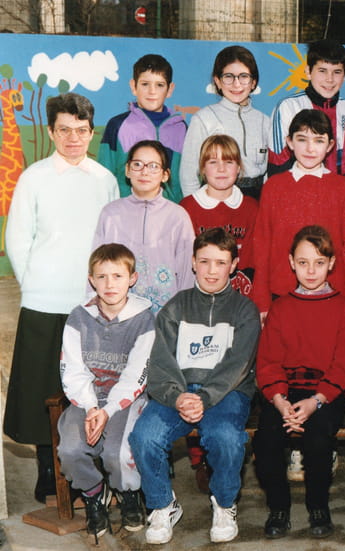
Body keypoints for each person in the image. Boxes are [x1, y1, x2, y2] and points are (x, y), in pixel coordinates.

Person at [4, 92, 118, 503]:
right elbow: (18, 238)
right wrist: (34, 285)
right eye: (64, 130)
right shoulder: (33, 177)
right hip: (44, 302)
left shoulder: (104, 179)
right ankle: (48, 470)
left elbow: (110, 242)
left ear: (92, 132)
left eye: (81, 130)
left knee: (89, 387)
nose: (73, 138)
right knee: (42, 388)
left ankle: (88, 465)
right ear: (51, 132)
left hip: (91, 303)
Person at [129, 228, 261, 544]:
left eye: (221, 262)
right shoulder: (176, 306)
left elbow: (238, 364)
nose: (212, 270)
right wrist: (178, 398)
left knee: (226, 438)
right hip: (179, 392)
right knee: (144, 436)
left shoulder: (245, 310)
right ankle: (162, 505)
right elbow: (161, 361)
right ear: (192, 262)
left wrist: (203, 397)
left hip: (225, 393)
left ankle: (224, 504)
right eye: (204, 261)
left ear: (234, 265)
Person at [254, 225, 345, 540]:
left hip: (324, 393)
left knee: (318, 439)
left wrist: (316, 401)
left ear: (331, 264)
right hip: (284, 391)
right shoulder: (281, 307)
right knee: (266, 439)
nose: (311, 271)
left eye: (319, 263)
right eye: (303, 263)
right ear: (291, 262)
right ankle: (279, 507)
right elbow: (268, 361)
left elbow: (343, 366)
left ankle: (318, 506)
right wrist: (279, 401)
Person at [57, 244, 154, 540]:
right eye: (102, 277)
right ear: (91, 280)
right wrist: (90, 407)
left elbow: (136, 374)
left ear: (132, 278)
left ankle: (128, 493)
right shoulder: (78, 317)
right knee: (70, 450)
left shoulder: (144, 319)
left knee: (117, 452)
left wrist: (108, 411)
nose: (110, 284)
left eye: (117, 276)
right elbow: (73, 369)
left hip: (126, 400)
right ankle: (94, 493)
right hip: (87, 398)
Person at [252, 109, 345, 319]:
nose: (310, 148)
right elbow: (262, 246)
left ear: (330, 146)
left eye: (318, 141)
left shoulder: (343, 188)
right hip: (281, 294)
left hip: (332, 294)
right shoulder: (274, 187)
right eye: (302, 140)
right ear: (289, 142)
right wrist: (261, 301)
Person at [93, 140, 195, 313]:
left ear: (165, 175)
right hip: (120, 313)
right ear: (127, 170)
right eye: (137, 164)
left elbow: (187, 273)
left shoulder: (178, 216)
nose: (144, 172)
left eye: (153, 166)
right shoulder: (110, 213)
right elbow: (97, 265)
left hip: (166, 314)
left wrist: (183, 313)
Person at [268, 39, 345, 192]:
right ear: (308, 71)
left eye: (337, 72)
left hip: (340, 198)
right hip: (298, 196)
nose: (329, 79)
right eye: (322, 71)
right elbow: (278, 165)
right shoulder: (288, 107)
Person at [180, 45, 271, 199]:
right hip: (215, 197)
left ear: (253, 82)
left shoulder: (265, 121)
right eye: (228, 77)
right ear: (217, 81)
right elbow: (188, 174)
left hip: (256, 199)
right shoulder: (203, 119)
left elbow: (268, 172)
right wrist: (194, 208)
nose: (236, 84)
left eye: (244, 76)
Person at [98, 54, 187, 202]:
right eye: (145, 84)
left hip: (169, 210)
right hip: (126, 211)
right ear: (134, 86)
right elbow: (104, 176)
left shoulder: (181, 128)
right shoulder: (117, 125)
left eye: (159, 85)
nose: (152, 91)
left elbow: (188, 177)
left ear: (170, 89)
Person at [180, 134, 258, 298]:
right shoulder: (187, 208)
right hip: (198, 295)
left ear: (238, 167)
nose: (221, 169)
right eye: (213, 162)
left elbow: (253, 260)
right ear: (202, 168)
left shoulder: (251, 208)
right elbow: (183, 262)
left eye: (228, 162)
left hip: (239, 296)